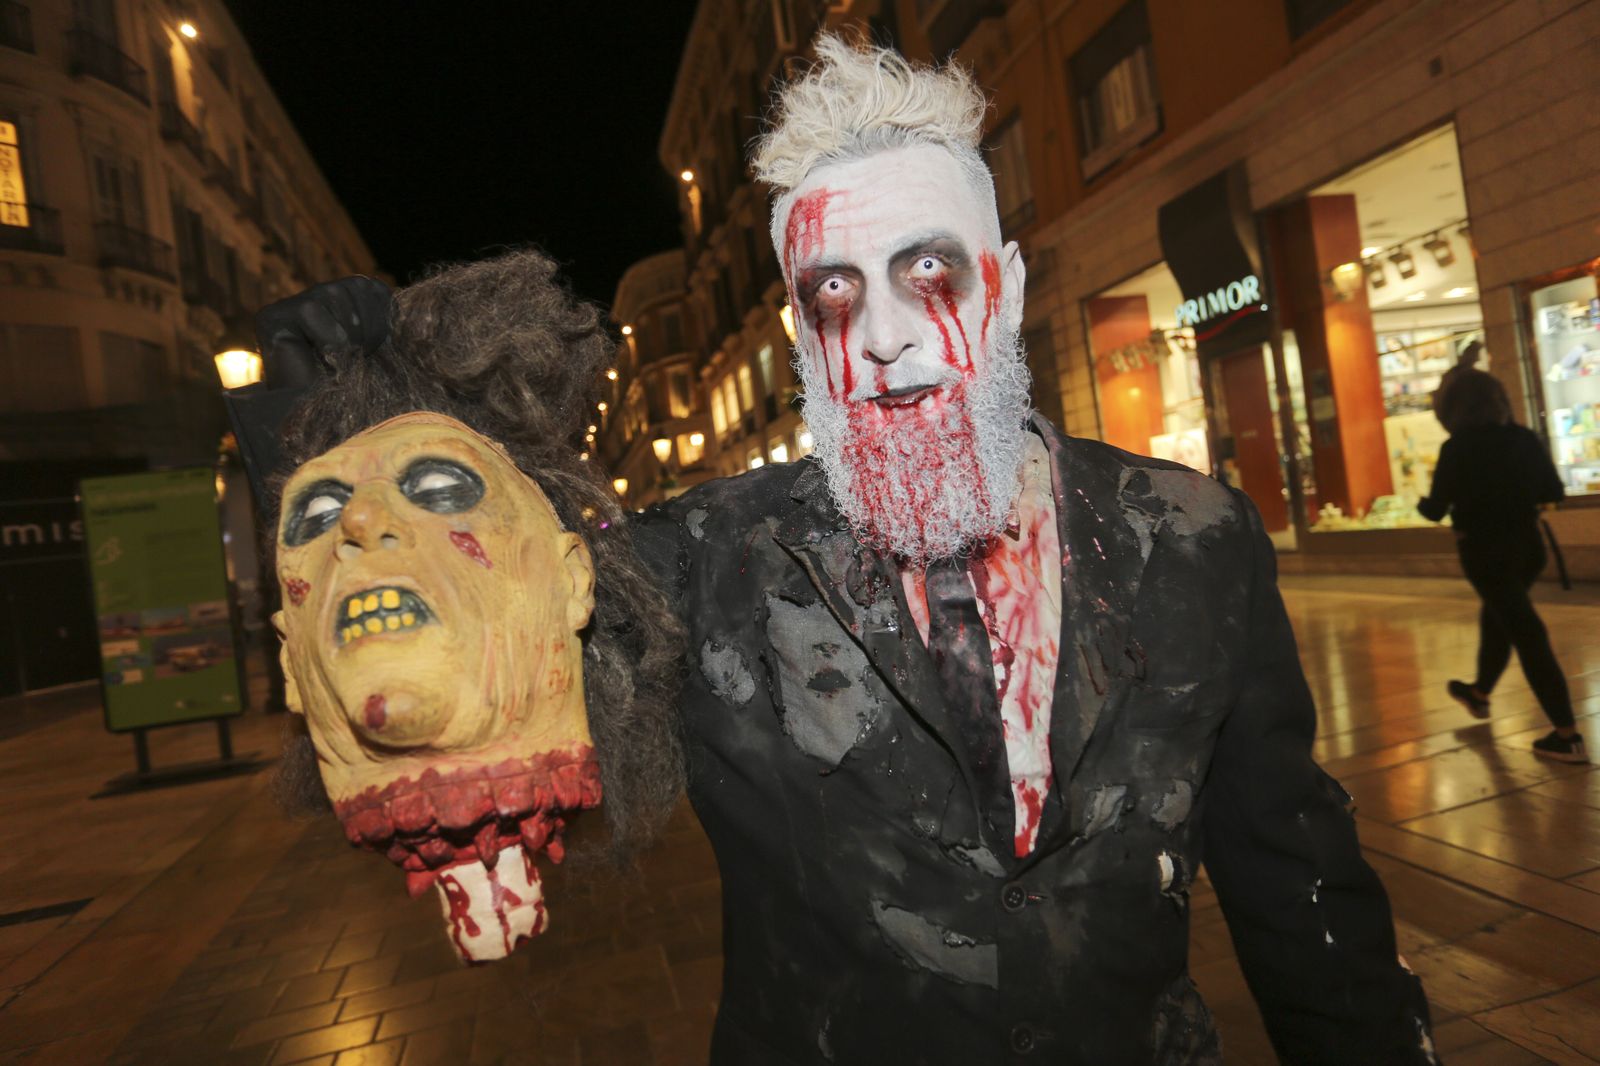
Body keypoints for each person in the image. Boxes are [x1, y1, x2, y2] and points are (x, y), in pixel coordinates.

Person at [249, 35, 1437, 1066]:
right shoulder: (701, 563)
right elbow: (484, 614)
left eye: (930, 272)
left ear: (1007, 286)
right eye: (832, 291)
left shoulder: (1196, 538)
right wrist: (360, 408)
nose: (882, 336)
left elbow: (1298, 878)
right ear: (797, 334)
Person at [1419, 365, 1584, 762]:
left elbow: (1436, 509)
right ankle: (1479, 693)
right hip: (1529, 548)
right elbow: (1552, 491)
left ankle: (1567, 735)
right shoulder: (1523, 438)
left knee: (1525, 631)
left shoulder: (1456, 448)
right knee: (1501, 615)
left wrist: (1427, 505)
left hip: (1483, 551)